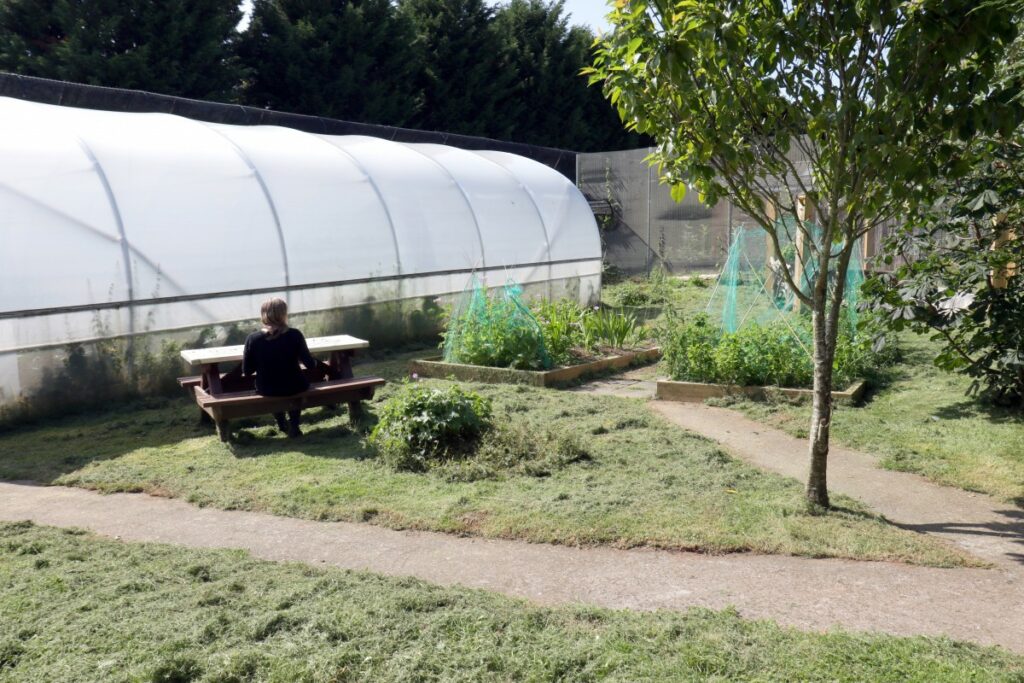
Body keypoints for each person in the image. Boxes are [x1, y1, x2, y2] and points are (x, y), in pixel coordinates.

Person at [242, 298, 316, 438]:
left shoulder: (253, 339)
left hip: (267, 388)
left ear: (263, 314)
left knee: (273, 387)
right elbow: (310, 365)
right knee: (295, 384)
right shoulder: (295, 334)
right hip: (295, 385)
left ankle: (281, 423)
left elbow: (247, 371)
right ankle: (294, 425)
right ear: (284, 314)